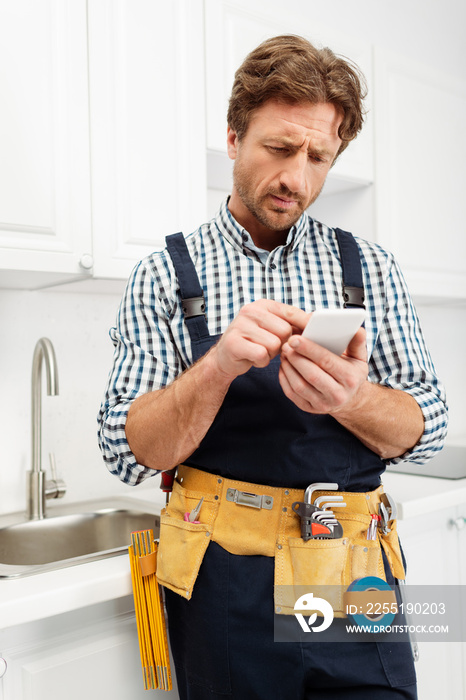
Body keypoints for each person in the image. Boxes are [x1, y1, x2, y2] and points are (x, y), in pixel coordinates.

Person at [98, 34, 447, 699]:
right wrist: (217, 367)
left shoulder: (369, 269)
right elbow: (126, 452)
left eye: (320, 156)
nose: (298, 178)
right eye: (280, 149)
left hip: (354, 574)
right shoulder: (165, 277)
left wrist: (351, 397)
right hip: (226, 583)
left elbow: (424, 429)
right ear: (233, 139)